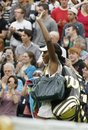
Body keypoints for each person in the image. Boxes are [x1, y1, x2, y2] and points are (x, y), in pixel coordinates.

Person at [35, 11, 65, 119]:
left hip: (48, 113)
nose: (42, 55)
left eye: (45, 52)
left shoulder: (54, 62)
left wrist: (39, 21)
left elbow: (48, 40)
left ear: (53, 54)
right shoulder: (48, 66)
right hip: (45, 110)